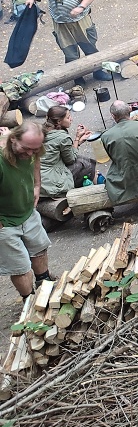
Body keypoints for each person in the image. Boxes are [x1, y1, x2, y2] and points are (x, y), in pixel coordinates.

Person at [25, 0, 111, 84]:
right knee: (69, 52)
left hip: (80, 19)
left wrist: (80, 7)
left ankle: (98, 71)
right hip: (60, 21)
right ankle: (77, 77)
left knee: (90, 47)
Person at [0, 121, 54, 298]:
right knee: (20, 267)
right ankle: (30, 300)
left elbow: (35, 161)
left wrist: (37, 185)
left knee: (39, 249)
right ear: (13, 139)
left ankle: (44, 283)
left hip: (28, 212)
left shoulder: (32, 149)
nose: (30, 153)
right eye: (26, 148)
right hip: (5, 221)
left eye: (35, 149)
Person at [39, 106, 95, 198]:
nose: (71, 119)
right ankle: (94, 191)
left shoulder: (44, 129)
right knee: (87, 164)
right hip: (50, 180)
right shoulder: (62, 137)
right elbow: (70, 160)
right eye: (68, 117)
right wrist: (77, 139)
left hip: (39, 174)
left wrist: (78, 141)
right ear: (59, 122)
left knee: (82, 159)